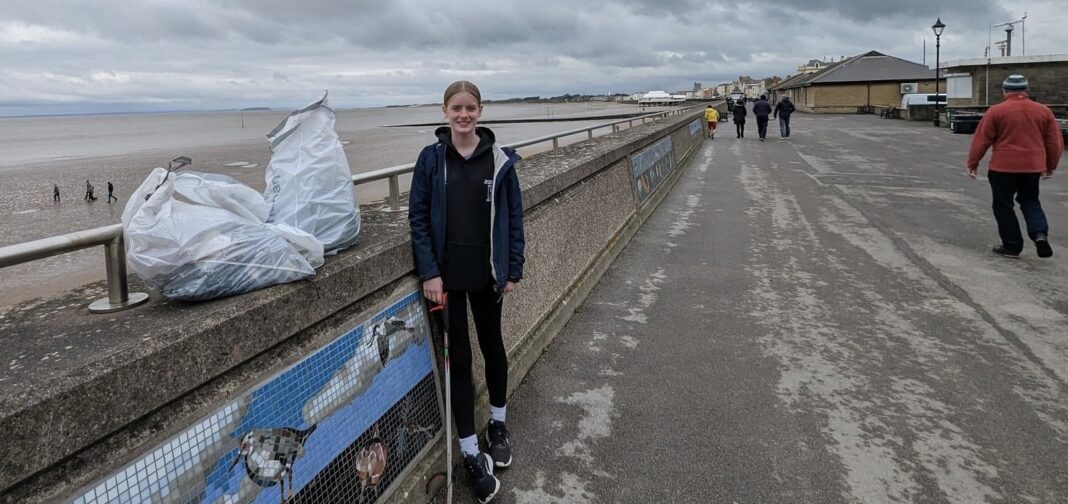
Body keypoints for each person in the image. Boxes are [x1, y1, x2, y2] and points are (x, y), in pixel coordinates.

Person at [408, 80, 525, 504]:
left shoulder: (499, 161)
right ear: (444, 111)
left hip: (488, 276)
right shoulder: (430, 160)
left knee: (493, 347)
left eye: (470, 107)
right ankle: (471, 454)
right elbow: (418, 218)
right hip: (446, 281)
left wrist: (514, 268)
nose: (463, 115)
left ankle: (497, 423)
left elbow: (514, 218)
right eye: (456, 108)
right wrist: (429, 273)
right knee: (458, 362)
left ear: (480, 110)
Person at [967, 74, 1063, 258]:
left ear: (1005, 91)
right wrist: (1050, 165)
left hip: (1003, 167)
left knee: (1003, 205)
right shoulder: (1043, 111)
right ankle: (1040, 234)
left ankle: (1011, 245)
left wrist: (973, 163)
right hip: (1032, 167)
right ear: (1026, 91)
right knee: (1030, 200)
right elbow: (1054, 142)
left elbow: (981, 140)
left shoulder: (996, 111)